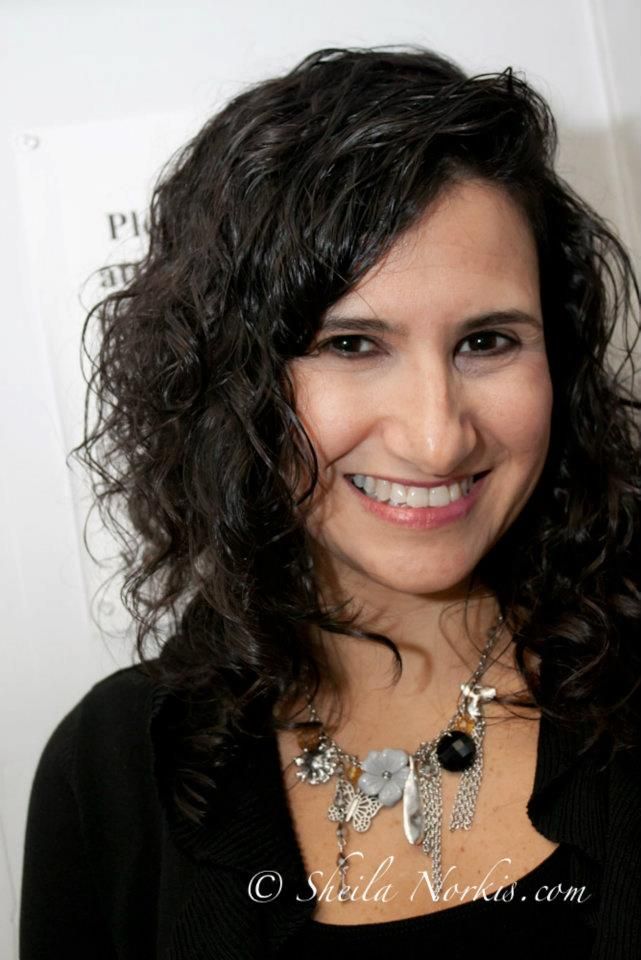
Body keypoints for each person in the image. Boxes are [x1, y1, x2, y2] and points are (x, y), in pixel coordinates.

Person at [19, 46, 641, 960]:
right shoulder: (111, 772)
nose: (436, 438)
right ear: (231, 382)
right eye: (351, 345)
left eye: (487, 341)